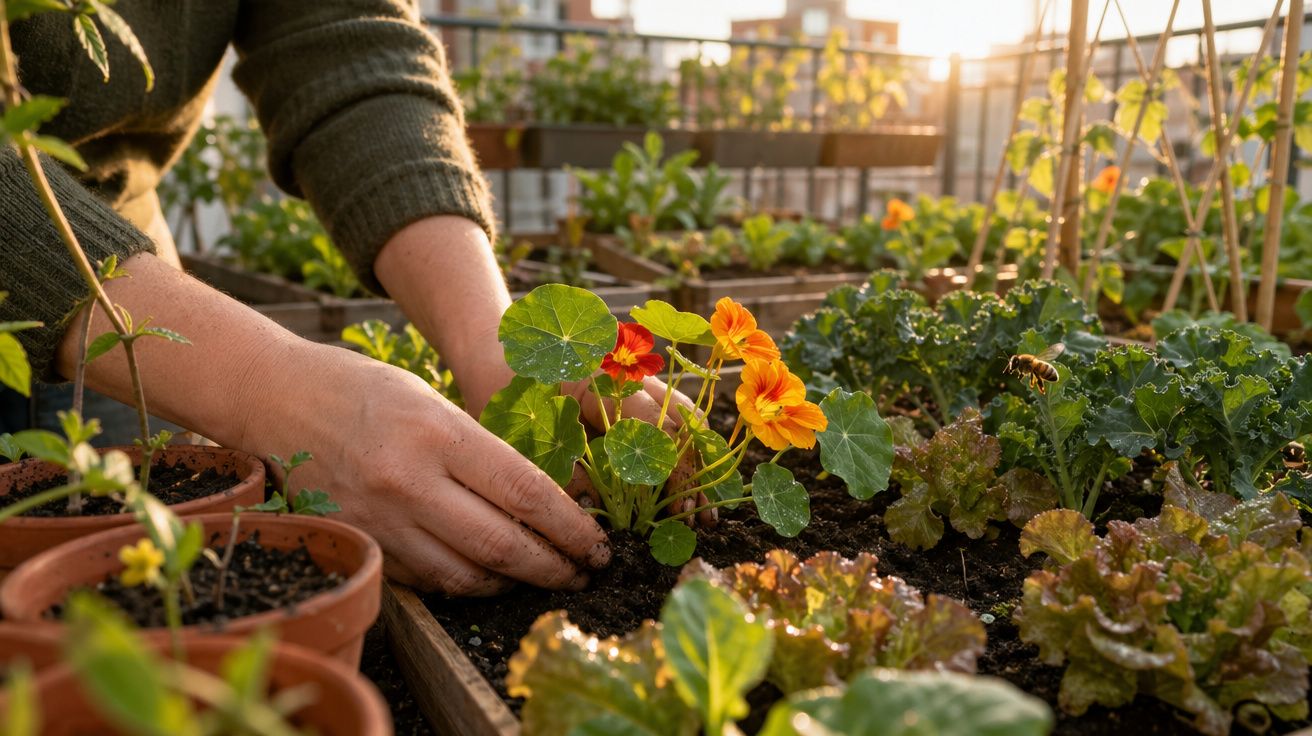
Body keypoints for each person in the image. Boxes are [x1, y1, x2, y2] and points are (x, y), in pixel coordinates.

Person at [0, 2, 687, 595]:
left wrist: (494, 340)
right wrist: (262, 385)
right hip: (107, 298)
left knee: (148, 622)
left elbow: (349, 41)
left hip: (130, 310)